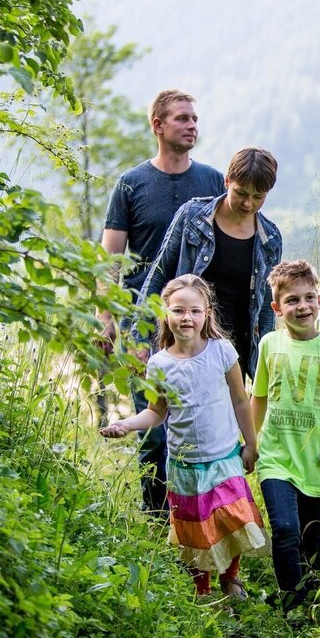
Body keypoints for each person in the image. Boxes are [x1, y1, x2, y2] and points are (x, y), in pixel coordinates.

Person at [100, 275, 268, 599]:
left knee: (232, 521)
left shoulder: (222, 351)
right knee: (195, 531)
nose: (186, 318)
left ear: (207, 314)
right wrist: (126, 424)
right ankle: (201, 591)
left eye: (194, 311)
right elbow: (156, 412)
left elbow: (239, 398)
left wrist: (251, 444)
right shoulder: (160, 364)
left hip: (224, 457)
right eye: (178, 311)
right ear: (165, 314)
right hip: (185, 462)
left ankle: (230, 578)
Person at [99, 89, 224, 518]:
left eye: (194, 118)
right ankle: (157, 526)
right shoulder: (131, 185)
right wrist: (107, 320)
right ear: (158, 126)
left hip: (197, 326)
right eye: (182, 119)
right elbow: (110, 260)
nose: (192, 126)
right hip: (144, 325)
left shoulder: (212, 182)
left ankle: (203, 524)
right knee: (153, 430)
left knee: (202, 428)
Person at [252, 261, 320, 611]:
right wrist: (251, 444)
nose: (302, 306)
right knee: (284, 530)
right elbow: (259, 396)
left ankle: (313, 603)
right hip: (275, 457)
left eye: (309, 298)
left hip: (315, 459)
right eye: (292, 300)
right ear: (276, 308)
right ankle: (292, 607)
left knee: (309, 542)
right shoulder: (269, 344)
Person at [136, 146, 282, 379]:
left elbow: (265, 312)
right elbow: (159, 274)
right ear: (227, 181)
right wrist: (140, 338)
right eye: (242, 193)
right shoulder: (191, 216)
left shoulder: (270, 240)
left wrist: (265, 368)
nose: (248, 204)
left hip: (234, 356)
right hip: (184, 344)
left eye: (258, 197)